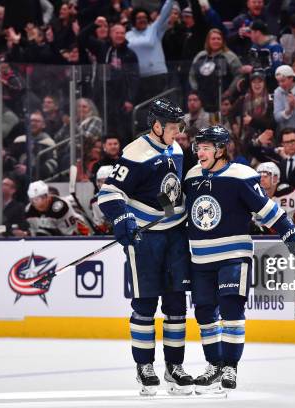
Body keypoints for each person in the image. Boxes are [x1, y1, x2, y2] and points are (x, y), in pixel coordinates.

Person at [184, 125, 295, 393]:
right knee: (204, 313)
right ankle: (214, 365)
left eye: (205, 147)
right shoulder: (192, 176)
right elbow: (175, 208)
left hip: (233, 256)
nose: (199, 152)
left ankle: (230, 367)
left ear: (219, 149)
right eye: (198, 147)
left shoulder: (242, 175)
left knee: (231, 310)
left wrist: (289, 231)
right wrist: (148, 216)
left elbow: (266, 209)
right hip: (200, 258)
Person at [97, 98, 193, 396]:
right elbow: (109, 193)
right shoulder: (135, 153)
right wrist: (123, 216)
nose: (178, 133)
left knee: (176, 305)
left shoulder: (174, 148)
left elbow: (166, 190)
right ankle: (144, 366)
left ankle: (174, 367)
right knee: (146, 304)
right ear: (157, 126)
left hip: (175, 234)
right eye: (174, 127)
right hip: (146, 238)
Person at [255, 161, 295, 234]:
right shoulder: (255, 194)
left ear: (275, 178)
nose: (261, 179)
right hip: (276, 238)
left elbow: (284, 223)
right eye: (259, 176)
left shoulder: (286, 192)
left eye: (265, 176)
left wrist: (260, 229)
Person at [24, 180, 89, 236]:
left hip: (77, 233)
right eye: (32, 200)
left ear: (47, 196)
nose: (34, 203)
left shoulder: (60, 206)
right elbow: (34, 232)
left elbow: (69, 233)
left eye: (37, 199)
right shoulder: (29, 210)